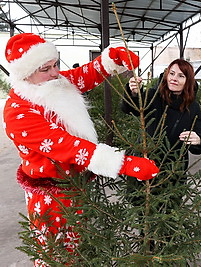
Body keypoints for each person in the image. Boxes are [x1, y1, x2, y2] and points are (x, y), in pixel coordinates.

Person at [3, 33, 159, 265]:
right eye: (46, 68)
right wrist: (124, 163)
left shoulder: (52, 83)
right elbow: (67, 146)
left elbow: (83, 75)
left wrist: (112, 59)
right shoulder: (18, 112)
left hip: (76, 187)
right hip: (49, 198)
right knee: (54, 255)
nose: (56, 72)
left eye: (56, 64)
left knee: (79, 246)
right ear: (26, 74)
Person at [121, 59, 201, 193]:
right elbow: (130, 109)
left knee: (170, 208)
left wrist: (198, 140)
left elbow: (199, 143)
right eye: (171, 73)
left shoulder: (193, 107)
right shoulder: (154, 95)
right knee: (141, 205)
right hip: (145, 162)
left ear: (188, 81)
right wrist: (134, 93)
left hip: (173, 169)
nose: (174, 79)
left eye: (181, 76)